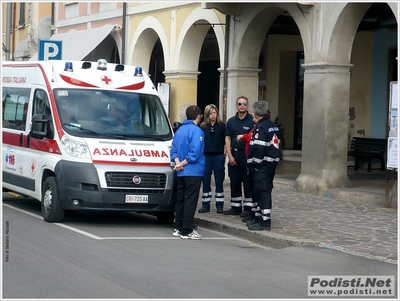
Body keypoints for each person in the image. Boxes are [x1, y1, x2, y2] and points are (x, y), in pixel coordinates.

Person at [170, 105, 205, 239]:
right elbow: (194, 154)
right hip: (193, 171)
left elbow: (173, 150)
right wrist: (183, 163)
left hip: (181, 171)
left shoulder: (179, 130)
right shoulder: (197, 131)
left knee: (181, 199)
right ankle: (187, 230)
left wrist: (178, 163)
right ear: (198, 116)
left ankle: (178, 227)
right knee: (191, 200)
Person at [246, 101, 282, 230]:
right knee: (261, 191)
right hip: (270, 165)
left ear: (255, 113)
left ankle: (264, 221)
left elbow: (259, 149)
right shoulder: (273, 126)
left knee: (263, 192)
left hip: (262, 167)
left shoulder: (261, 127)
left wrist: (254, 164)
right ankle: (259, 217)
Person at [223, 96, 255, 217]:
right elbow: (227, 138)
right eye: (240, 104)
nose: (242, 106)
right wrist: (229, 156)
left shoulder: (252, 121)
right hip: (234, 154)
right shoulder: (231, 121)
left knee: (248, 183)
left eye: (244, 104)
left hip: (246, 155)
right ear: (236, 105)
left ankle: (248, 208)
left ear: (248, 106)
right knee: (234, 182)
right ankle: (235, 207)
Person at [198, 104, 226, 214]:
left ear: (217, 113)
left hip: (218, 155)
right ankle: (205, 204)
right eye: (210, 114)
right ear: (207, 115)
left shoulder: (222, 126)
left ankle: (220, 205)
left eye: (214, 113)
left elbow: (226, 140)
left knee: (219, 180)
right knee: (205, 179)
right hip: (206, 156)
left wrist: (224, 154)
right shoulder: (203, 126)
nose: (212, 115)